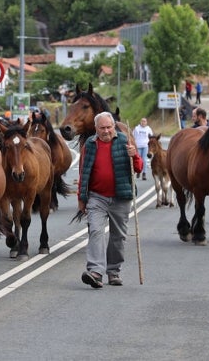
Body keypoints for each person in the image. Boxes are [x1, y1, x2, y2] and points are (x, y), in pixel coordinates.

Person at [77, 112, 143, 288]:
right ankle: (96, 272)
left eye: (109, 127)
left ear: (114, 126)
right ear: (96, 128)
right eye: (102, 128)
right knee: (96, 231)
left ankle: (113, 271)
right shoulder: (90, 145)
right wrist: (81, 198)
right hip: (97, 197)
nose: (106, 131)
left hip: (121, 197)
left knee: (118, 237)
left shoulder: (124, 141)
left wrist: (134, 155)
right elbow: (83, 173)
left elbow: (138, 168)